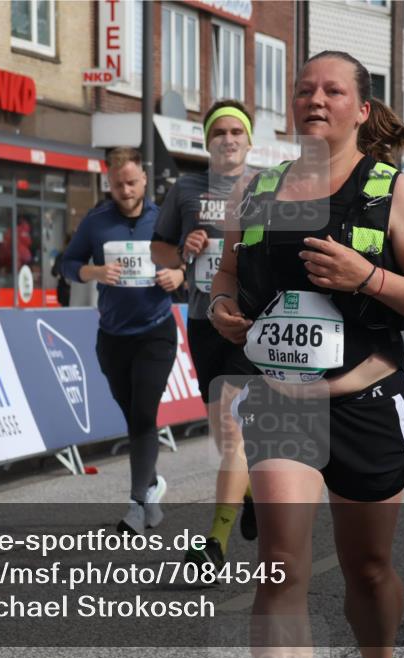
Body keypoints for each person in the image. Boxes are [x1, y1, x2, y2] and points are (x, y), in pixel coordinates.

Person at [210, 50, 404, 658]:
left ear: (361, 109)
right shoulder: (257, 188)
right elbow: (228, 273)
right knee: (279, 569)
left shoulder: (390, 191)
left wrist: (367, 277)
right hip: (282, 405)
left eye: (333, 92)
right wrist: (222, 309)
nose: (316, 100)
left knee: (368, 571)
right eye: (305, 91)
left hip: (366, 402)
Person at [150, 99, 258, 570]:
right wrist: (181, 249)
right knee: (223, 435)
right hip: (201, 321)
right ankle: (251, 493)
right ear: (207, 141)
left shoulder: (266, 185)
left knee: (233, 433)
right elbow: (158, 252)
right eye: (220, 133)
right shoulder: (186, 188)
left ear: (249, 141)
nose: (229, 140)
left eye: (237, 132)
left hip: (249, 323)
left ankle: (214, 543)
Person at [61, 147, 185, 533]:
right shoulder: (97, 222)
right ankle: (150, 484)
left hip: (156, 333)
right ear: (108, 183)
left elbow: (191, 260)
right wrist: (93, 271)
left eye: (131, 183)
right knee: (134, 419)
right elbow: (66, 265)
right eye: (117, 185)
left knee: (145, 416)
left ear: (145, 179)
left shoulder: (164, 219)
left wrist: (178, 276)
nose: (125, 191)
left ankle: (135, 505)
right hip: (112, 337)